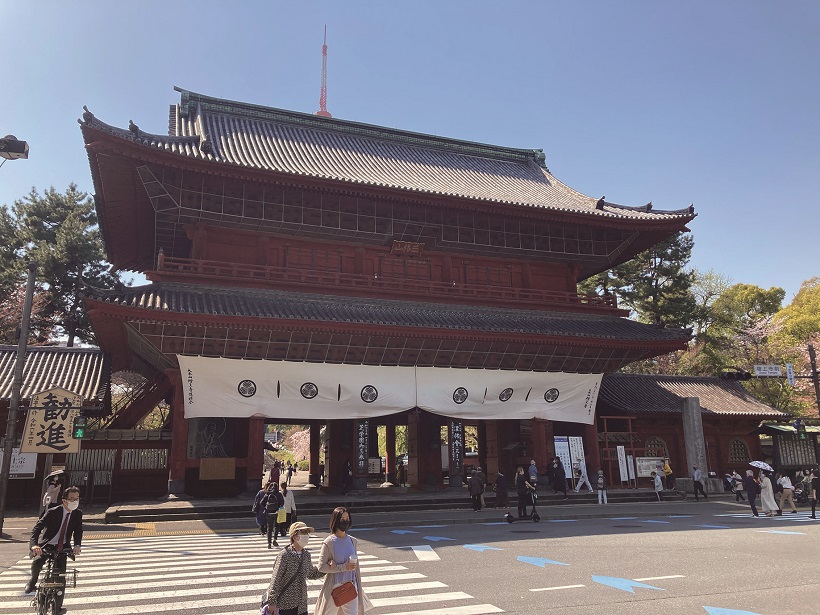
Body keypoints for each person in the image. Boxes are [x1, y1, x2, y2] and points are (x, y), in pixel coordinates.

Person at [25, 485, 83, 613]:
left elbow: (78, 531)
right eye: (72, 499)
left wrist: (77, 545)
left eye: (77, 498)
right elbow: (36, 529)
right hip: (46, 546)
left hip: (63, 548)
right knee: (37, 562)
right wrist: (35, 545)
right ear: (64, 500)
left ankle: (58, 607)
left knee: (60, 578)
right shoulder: (53, 511)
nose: (75, 501)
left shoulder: (78, 513)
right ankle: (32, 581)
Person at [314, 507, 373, 615]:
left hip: (350, 586)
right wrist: (342, 567)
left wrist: (358, 586)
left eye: (347, 518)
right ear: (336, 521)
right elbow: (321, 567)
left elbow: (356, 568)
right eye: (342, 519)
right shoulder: (329, 542)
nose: (345, 521)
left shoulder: (352, 541)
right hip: (334, 588)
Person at [263, 521, 324, 615]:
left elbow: (311, 574)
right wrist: (272, 602)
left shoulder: (306, 555)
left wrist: (327, 567)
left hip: (301, 605)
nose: (306, 535)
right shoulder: (284, 555)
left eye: (307, 533)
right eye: (303, 532)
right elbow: (275, 579)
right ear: (294, 536)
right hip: (285, 605)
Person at [265, 482, 285, 548]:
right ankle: (275, 539)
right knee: (276, 526)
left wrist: (266, 507)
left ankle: (269, 543)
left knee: (269, 527)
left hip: (268, 512)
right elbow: (282, 503)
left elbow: (261, 502)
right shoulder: (279, 494)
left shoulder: (267, 494)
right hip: (277, 512)